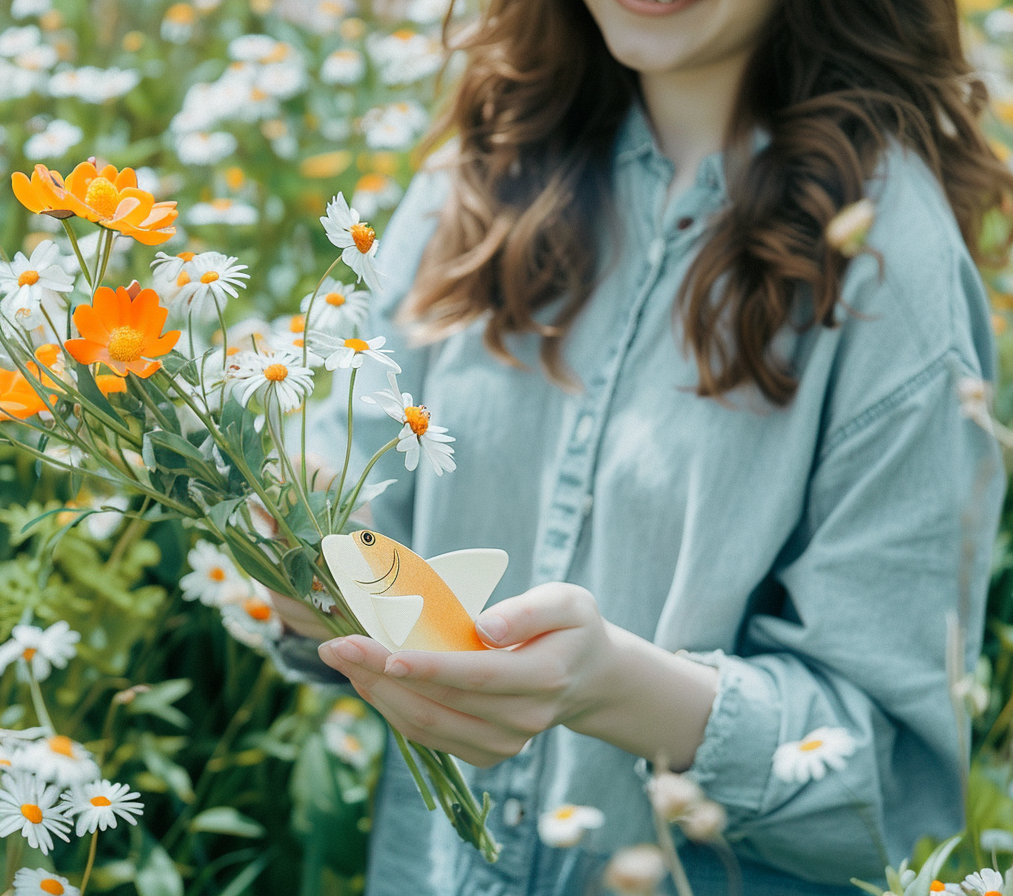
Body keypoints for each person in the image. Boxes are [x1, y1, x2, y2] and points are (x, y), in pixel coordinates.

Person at [268, 0, 1013, 892]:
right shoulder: (475, 174)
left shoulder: (893, 268)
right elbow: (358, 536)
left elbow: (887, 785)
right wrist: (300, 565)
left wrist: (610, 688)